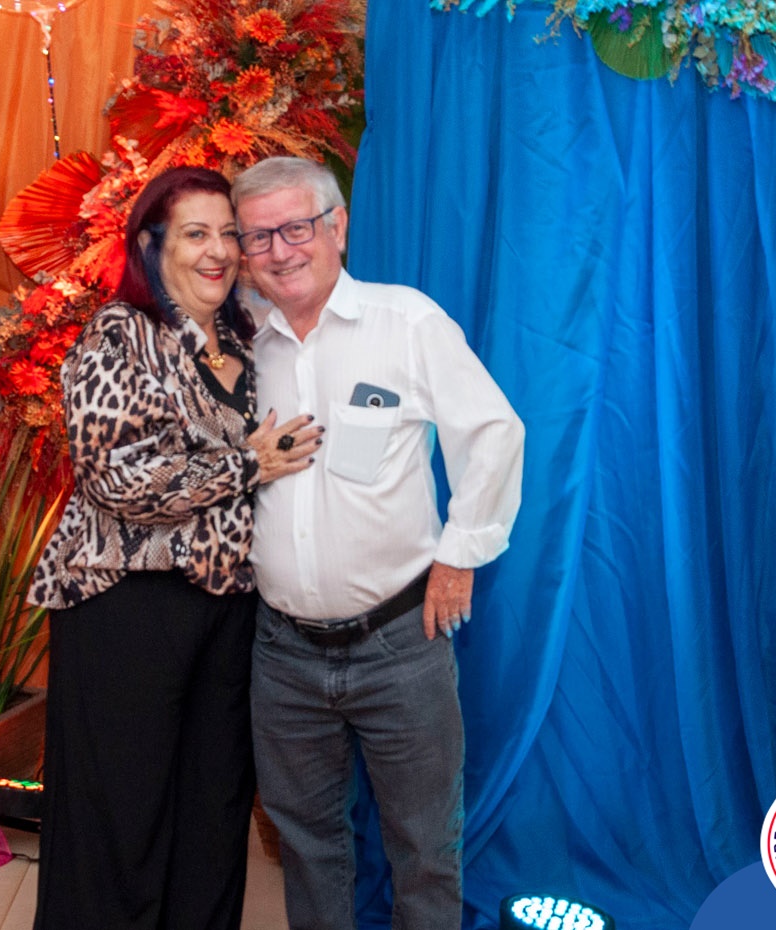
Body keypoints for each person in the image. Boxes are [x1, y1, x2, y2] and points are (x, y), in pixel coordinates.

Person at [232, 156, 525, 930]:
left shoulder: (407, 322)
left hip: (401, 644)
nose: (280, 251)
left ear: (338, 226)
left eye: (297, 227)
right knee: (307, 843)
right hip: (282, 651)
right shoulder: (239, 347)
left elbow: (494, 433)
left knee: (424, 847)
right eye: (258, 237)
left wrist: (460, 553)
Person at [29, 166, 321, 930]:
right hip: (127, 606)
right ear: (150, 246)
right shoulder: (121, 333)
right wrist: (247, 465)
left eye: (228, 233)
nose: (218, 250)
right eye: (196, 233)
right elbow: (114, 480)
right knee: (122, 818)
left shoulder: (251, 340)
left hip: (229, 610)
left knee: (212, 811)